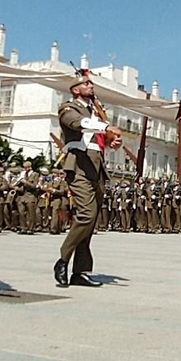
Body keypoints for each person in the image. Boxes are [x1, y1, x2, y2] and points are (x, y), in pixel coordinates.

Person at [54, 71, 109, 289]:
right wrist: (104, 127)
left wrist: (111, 139)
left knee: (92, 220)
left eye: (91, 83)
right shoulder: (68, 107)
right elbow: (76, 123)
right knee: (86, 215)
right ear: (75, 90)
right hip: (79, 164)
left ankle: (81, 271)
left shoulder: (96, 111)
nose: (90, 86)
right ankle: (63, 260)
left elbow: (99, 135)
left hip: (97, 166)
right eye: (85, 84)